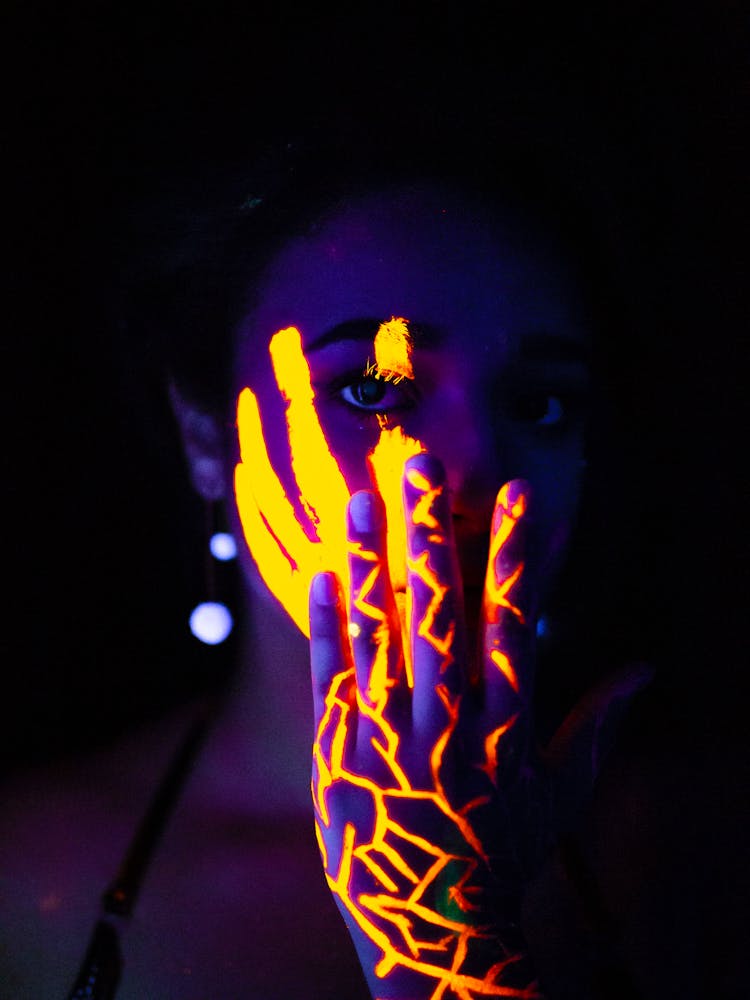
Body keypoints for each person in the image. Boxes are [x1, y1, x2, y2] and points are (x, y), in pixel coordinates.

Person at [0, 108, 738, 1000]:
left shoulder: (692, 857)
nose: (471, 464)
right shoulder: (28, 878)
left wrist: (450, 947)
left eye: (542, 404)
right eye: (372, 388)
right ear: (204, 432)